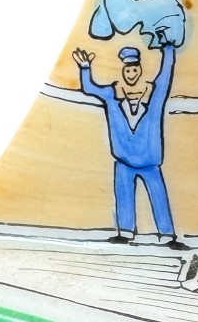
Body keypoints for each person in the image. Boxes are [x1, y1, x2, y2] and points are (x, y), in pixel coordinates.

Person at [72, 38, 184, 247]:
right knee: (123, 194)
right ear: (123, 71)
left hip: (150, 161)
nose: (131, 74)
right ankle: (125, 232)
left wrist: (168, 49)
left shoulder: (154, 95)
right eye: (127, 70)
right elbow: (89, 88)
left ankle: (167, 235)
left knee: (158, 195)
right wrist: (85, 68)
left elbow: (165, 75)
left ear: (139, 70)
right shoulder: (112, 94)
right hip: (123, 160)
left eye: (134, 70)